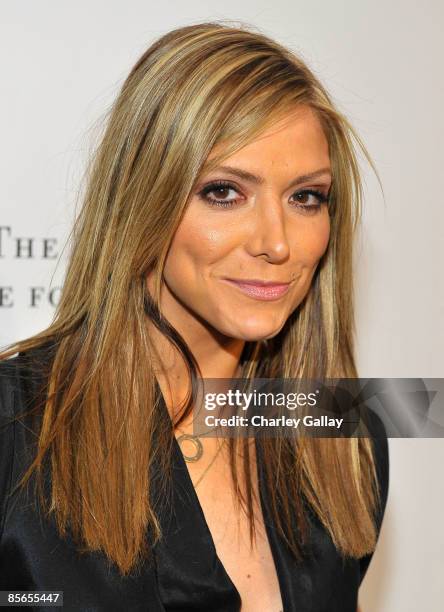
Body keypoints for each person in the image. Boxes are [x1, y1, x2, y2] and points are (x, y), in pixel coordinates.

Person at [0, 22, 389, 612]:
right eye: (225, 192)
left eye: (306, 197)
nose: (277, 243)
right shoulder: (16, 428)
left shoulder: (342, 435)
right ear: (143, 196)